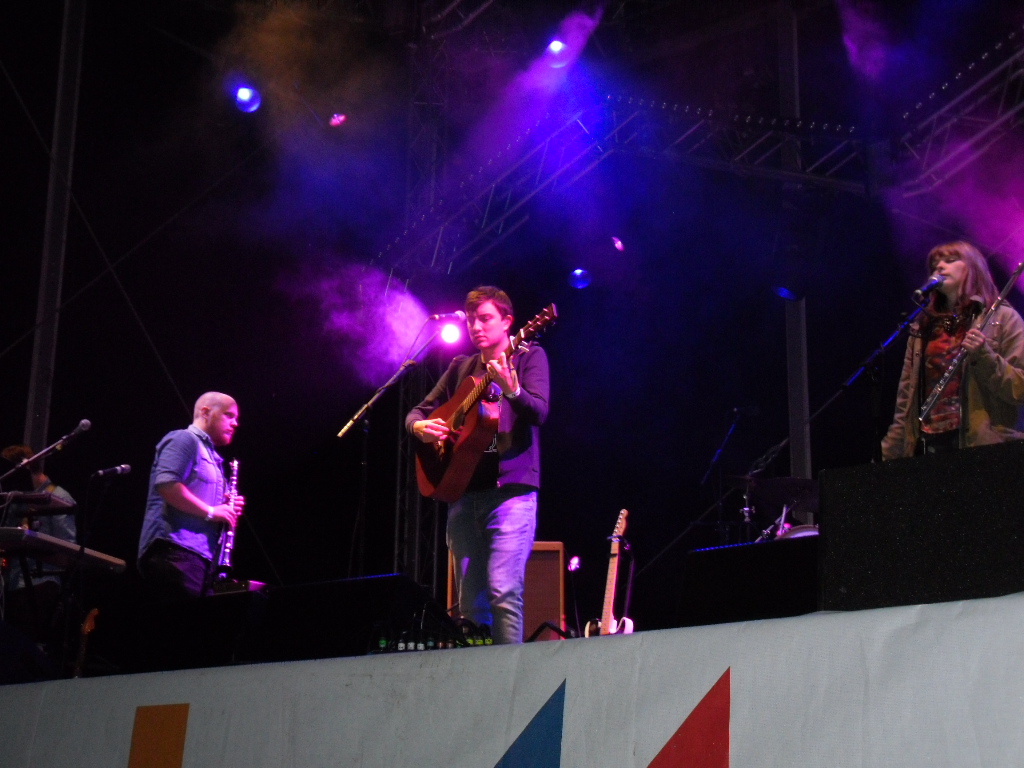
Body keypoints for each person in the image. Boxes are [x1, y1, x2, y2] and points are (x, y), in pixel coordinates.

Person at [407, 286, 549, 644]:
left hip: (510, 494)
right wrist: (419, 428)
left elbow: (539, 411)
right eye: (471, 319)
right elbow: (418, 412)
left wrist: (512, 391)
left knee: (503, 593)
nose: (475, 326)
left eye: (485, 318)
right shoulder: (461, 367)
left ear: (508, 321)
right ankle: (480, 672)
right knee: (470, 604)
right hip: (464, 495)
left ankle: (508, 671)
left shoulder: (528, 357)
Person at [882, 241, 1024, 459]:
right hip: (927, 446)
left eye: (950, 260)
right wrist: (889, 453)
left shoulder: (1003, 318)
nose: (939, 267)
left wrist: (984, 355)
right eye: (935, 264)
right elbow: (906, 400)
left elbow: (1020, 388)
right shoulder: (922, 327)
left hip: (984, 447)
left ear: (973, 268)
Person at [137, 392, 244, 601]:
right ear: (205, 412)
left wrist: (223, 507)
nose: (235, 423)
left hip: (200, 560)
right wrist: (212, 511)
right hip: (175, 554)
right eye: (229, 415)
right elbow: (167, 485)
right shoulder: (184, 439)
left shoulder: (214, 460)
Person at [0, 444, 77, 640]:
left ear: (24, 469)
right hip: (11, 584)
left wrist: (31, 545)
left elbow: (68, 549)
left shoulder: (59, 497)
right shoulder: (16, 498)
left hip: (40, 584)